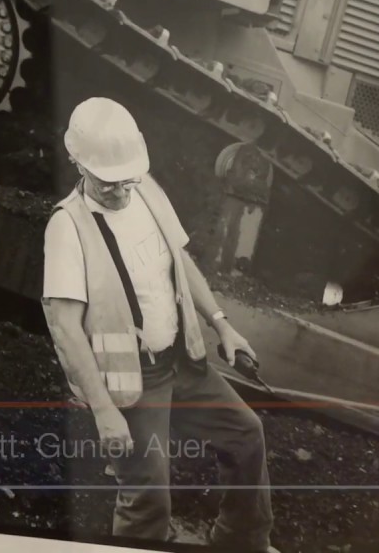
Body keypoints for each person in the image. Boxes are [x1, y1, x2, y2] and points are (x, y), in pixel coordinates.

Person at [41, 96, 277, 552]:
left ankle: (243, 541)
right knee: (148, 500)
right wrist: (105, 411)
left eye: (124, 179)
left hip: (183, 361)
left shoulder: (145, 188)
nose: (118, 190)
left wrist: (222, 324)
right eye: (106, 182)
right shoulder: (67, 228)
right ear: (77, 162)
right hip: (135, 378)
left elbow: (180, 260)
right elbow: (65, 329)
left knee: (247, 435)